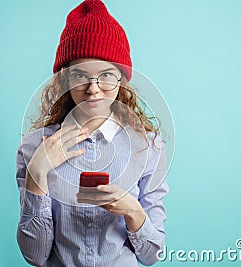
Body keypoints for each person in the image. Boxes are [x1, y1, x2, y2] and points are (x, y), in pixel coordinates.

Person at [15, 1, 169, 266]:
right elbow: (34, 255)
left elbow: (152, 255)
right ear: (65, 80)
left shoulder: (148, 147)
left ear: (121, 78)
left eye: (106, 74)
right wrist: (37, 173)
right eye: (80, 76)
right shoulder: (32, 148)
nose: (93, 89)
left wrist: (132, 210)